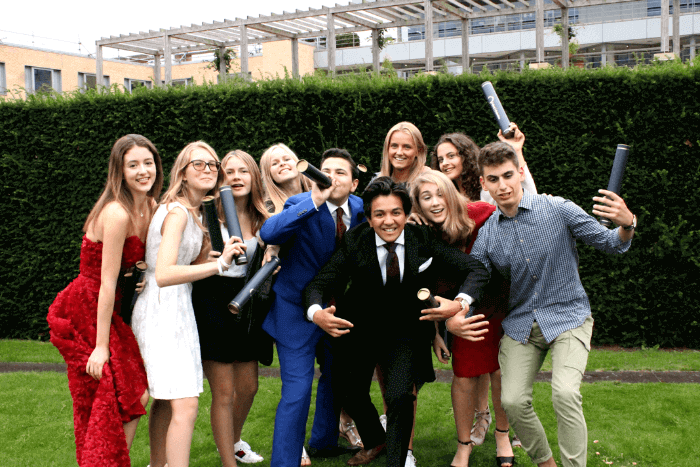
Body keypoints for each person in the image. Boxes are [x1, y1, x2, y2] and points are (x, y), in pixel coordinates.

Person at [469, 141, 636, 467]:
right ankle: (546, 464)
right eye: (493, 179)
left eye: (507, 176)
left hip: (569, 316)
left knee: (564, 393)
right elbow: (475, 282)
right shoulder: (487, 234)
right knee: (513, 401)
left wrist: (627, 224)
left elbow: (608, 243)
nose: (502, 186)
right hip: (520, 325)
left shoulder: (557, 208)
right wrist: (459, 309)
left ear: (519, 173)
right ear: (483, 184)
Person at [304, 177, 491, 467]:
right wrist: (316, 312)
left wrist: (459, 304)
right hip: (360, 328)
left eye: (395, 213)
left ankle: (398, 459)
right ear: (368, 217)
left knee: (400, 395)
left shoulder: (422, 238)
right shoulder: (356, 240)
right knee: (347, 390)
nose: (388, 221)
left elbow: (475, 268)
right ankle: (376, 439)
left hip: (405, 331)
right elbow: (320, 281)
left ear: (406, 214)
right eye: (379, 214)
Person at [47, 134, 163, 467]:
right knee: (117, 390)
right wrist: (101, 346)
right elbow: (105, 283)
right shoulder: (117, 213)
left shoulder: (150, 206)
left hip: (117, 306)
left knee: (133, 392)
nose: (143, 171)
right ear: (119, 171)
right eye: (133, 165)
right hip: (90, 303)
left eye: (148, 162)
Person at [131, 141, 244, 467]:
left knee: (166, 400)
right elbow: (164, 273)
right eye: (199, 164)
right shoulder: (178, 213)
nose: (208, 169)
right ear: (182, 171)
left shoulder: (192, 213)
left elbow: (179, 263)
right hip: (163, 310)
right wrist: (219, 264)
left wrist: (206, 254)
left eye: (212, 164)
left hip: (177, 309)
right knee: (186, 404)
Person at [431, 123, 534, 451]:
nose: (446, 161)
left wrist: (517, 151)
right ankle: (482, 417)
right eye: (440, 157)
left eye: (452, 155)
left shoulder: (488, 190)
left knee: (503, 363)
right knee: (473, 362)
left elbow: (525, 195)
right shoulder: (440, 197)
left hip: (499, 287)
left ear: (466, 155)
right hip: (463, 289)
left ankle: (511, 422)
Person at [259, 148, 365, 467]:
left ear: (354, 184)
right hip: (294, 311)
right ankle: (286, 461)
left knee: (336, 378)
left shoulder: (361, 208)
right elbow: (269, 233)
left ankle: (323, 442)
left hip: (336, 311)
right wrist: (315, 201)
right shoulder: (300, 203)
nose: (332, 176)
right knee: (298, 389)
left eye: (340, 172)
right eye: (326, 170)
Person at [410, 170, 514, 467]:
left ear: (451, 194)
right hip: (464, 312)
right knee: (464, 374)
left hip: (500, 304)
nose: (434, 202)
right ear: (418, 204)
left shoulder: (481, 213)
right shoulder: (425, 233)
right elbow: (424, 286)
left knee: (500, 373)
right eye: (426, 197)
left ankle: (503, 435)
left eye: (439, 194)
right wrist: (438, 331)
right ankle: (463, 445)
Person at [191, 150, 274, 466]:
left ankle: (234, 439)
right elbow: (190, 260)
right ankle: (228, 460)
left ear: (254, 178)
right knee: (224, 393)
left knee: (249, 387)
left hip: (248, 303)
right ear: (220, 178)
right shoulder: (208, 215)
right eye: (230, 171)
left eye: (244, 171)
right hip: (213, 301)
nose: (237, 177)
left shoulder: (264, 219)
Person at [259, 143, 311, 214]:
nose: (282, 164)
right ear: (269, 175)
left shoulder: (318, 193)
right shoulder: (267, 210)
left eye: (287, 159)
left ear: (297, 163)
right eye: (274, 163)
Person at [378, 121, 431, 187]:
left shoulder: (428, 182)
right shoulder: (377, 182)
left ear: (418, 151)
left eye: (407, 147)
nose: (399, 152)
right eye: (394, 146)